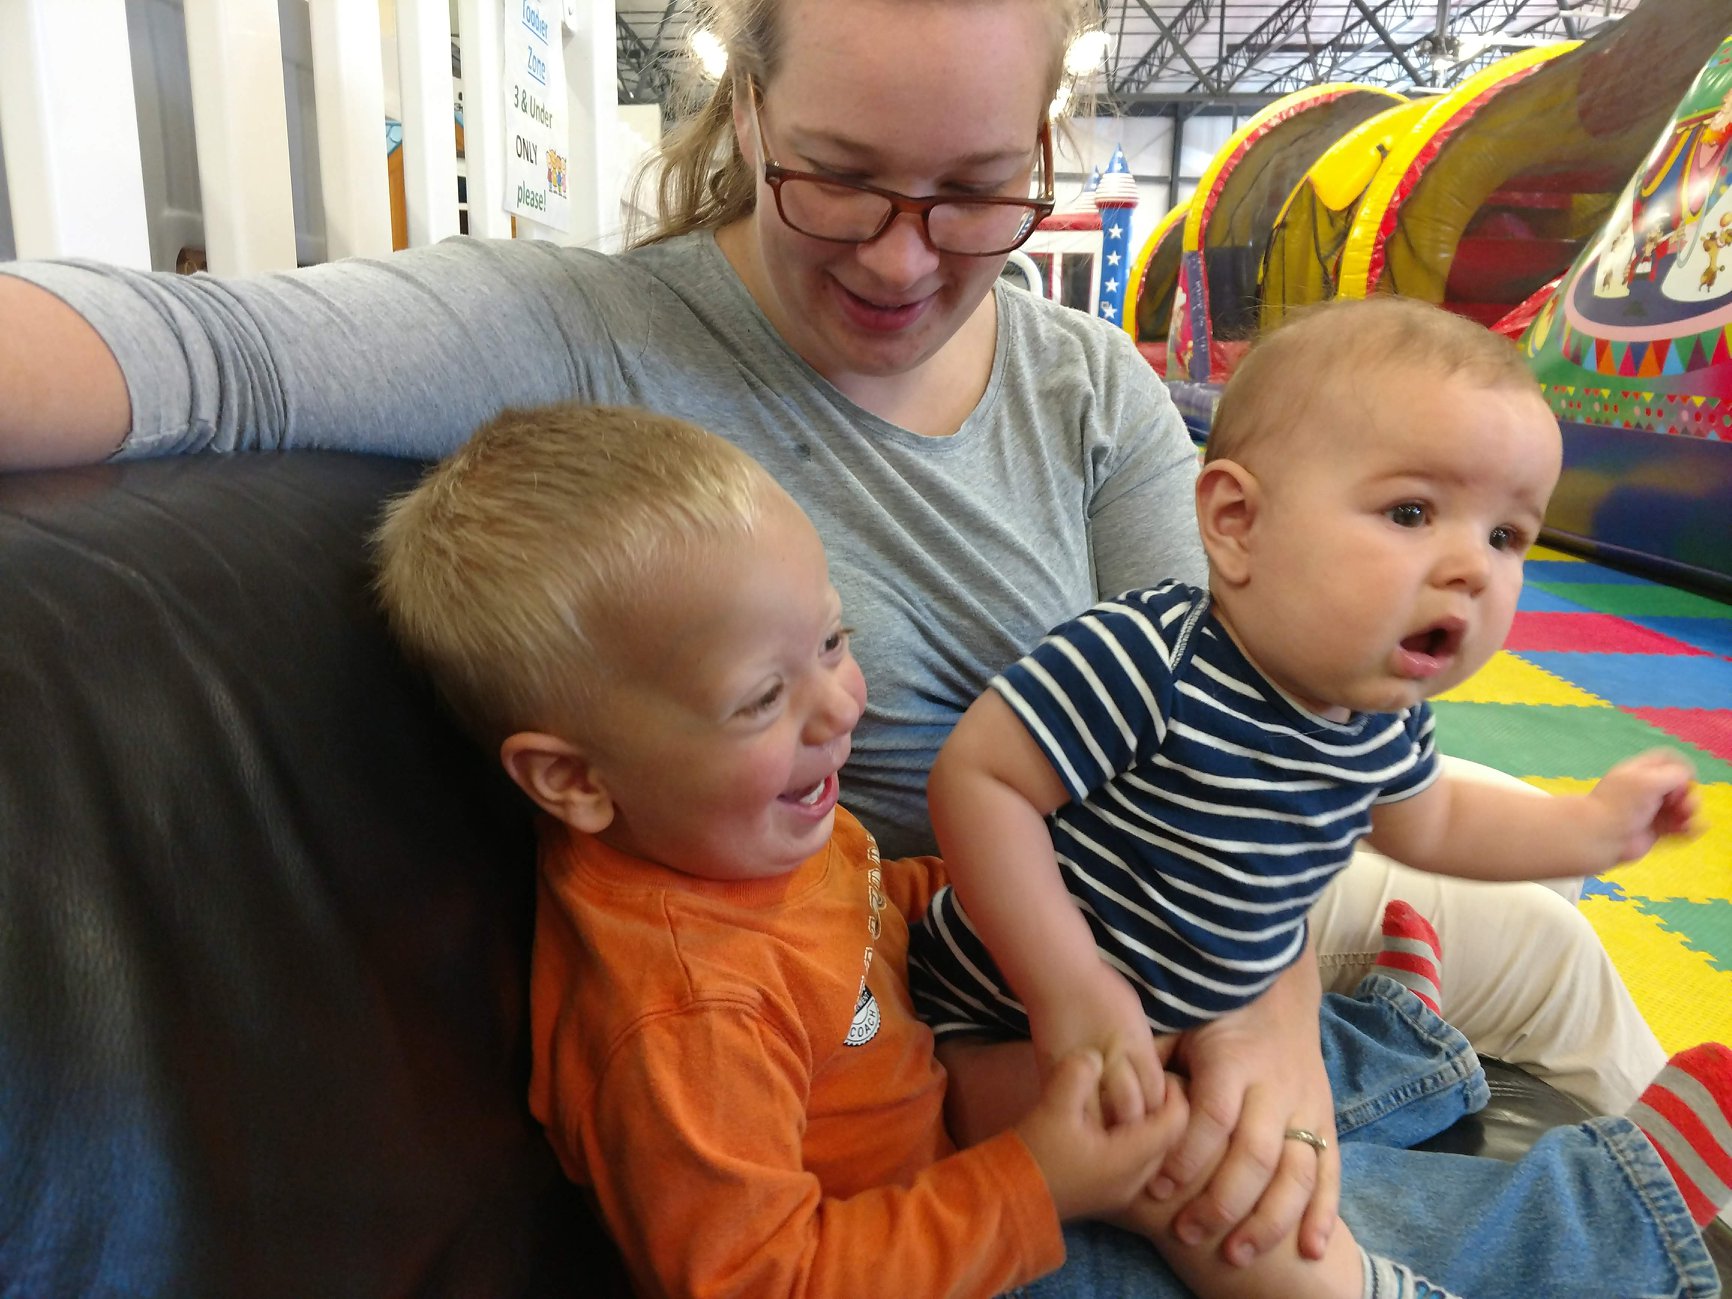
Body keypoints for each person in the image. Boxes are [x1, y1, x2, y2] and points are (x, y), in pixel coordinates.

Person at [0, 0, 1669, 1256]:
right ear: (745, 108)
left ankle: (1427, 1051)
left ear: (1042, 151)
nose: (900, 256)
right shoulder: (579, 331)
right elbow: (193, 349)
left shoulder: (1083, 380)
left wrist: (1273, 1011)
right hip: (988, 984)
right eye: (839, 180)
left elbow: (1262, 704)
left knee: (1558, 948)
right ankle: (1617, 1194)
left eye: (977, 193)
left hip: (1190, 892)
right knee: (1246, 1202)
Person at [371, 402, 1727, 1299]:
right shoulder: (685, 1012)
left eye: (834, 642)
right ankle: (1609, 1209)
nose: (840, 707)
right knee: (1219, 1205)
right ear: (574, 779)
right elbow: (760, 1279)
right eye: (762, 697)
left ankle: (1393, 1039)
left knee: (1182, 1065)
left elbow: (872, 908)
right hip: (953, 1243)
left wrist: (1060, 931)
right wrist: (1040, 1182)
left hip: (957, 1104)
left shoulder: (741, 829)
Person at [904, 296, 1701, 1163]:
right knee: (1199, 1166)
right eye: (1411, 512)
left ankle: (1396, 1035)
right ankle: (1493, 1147)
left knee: (1263, 1102)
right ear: (1238, 522)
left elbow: (1433, 823)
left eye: (1507, 535)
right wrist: (1068, 985)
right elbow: (979, 779)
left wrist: (1592, 827)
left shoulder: (1378, 714)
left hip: (1198, 991)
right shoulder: (1151, 659)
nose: (1474, 567)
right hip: (1002, 1019)